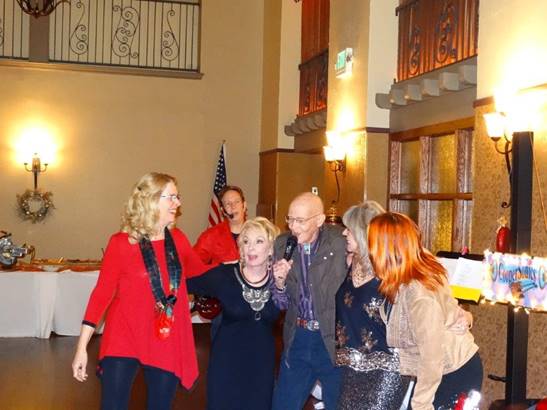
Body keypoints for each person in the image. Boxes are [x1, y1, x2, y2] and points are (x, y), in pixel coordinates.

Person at [72, 172, 210, 410]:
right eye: (172, 197)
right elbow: (101, 294)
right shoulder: (120, 243)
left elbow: (203, 275)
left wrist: (243, 268)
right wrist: (81, 348)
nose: (178, 203)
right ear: (151, 200)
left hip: (163, 338)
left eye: (178, 197)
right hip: (123, 336)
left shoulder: (178, 240)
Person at [368, 212, 483, 410]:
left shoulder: (418, 295)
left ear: (385, 249)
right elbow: (449, 306)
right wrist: (463, 316)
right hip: (440, 371)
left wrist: (421, 405)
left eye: (372, 243)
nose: (369, 250)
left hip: (452, 372)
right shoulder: (410, 271)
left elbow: (432, 359)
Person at [186, 217, 281, 410]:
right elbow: (184, 284)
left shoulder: (280, 279)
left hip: (261, 365)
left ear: (271, 249)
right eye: (246, 241)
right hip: (226, 363)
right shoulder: (225, 275)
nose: (251, 248)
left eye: (259, 241)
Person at [271, 192, 347, 410]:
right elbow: (281, 304)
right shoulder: (283, 245)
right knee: (283, 404)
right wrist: (279, 283)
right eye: (290, 219)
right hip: (298, 337)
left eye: (300, 221)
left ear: (320, 220)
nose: (293, 227)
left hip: (331, 339)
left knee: (338, 404)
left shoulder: (340, 243)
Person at [335, 201, 413, 410]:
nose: (344, 233)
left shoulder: (391, 269)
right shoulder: (350, 262)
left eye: (349, 229)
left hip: (387, 370)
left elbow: (425, 299)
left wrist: (459, 315)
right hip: (351, 367)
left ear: (363, 233)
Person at [193, 185, 247, 265]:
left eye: (237, 202)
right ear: (223, 210)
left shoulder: (258, 232)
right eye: (228, 204)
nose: (233, 206)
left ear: (244, 205)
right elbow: (192, 264)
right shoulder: (211, 236)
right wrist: (218, 269)